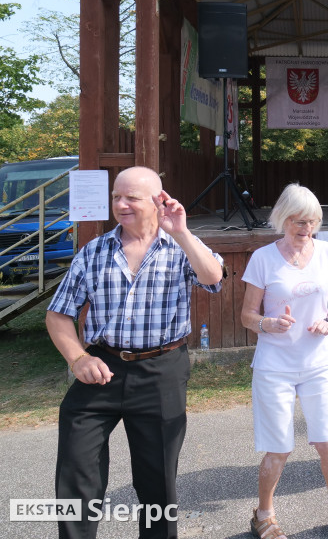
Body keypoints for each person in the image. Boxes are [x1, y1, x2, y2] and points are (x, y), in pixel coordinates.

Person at [45, 166, 224, 539]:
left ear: (159, 202)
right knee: (77, 473)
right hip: (101, 366)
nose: (121, 205)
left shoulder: (180, 247)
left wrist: (183, 232)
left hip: (161, 369)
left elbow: (212, 279)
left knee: (157, 480)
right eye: (116, 197)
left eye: (131, 198)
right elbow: (58, 314)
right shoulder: (93, 252)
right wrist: (78, 358)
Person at [240, 184, 328, 538]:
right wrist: (267, 324)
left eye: (313, 222)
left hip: (319, 362)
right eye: (299, 222)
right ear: (282, 219)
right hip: (274, 365)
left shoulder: (327, 252)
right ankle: (264, 514)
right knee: (279, 448)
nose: (306, 230)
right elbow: (246, 314)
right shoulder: (263, 258)